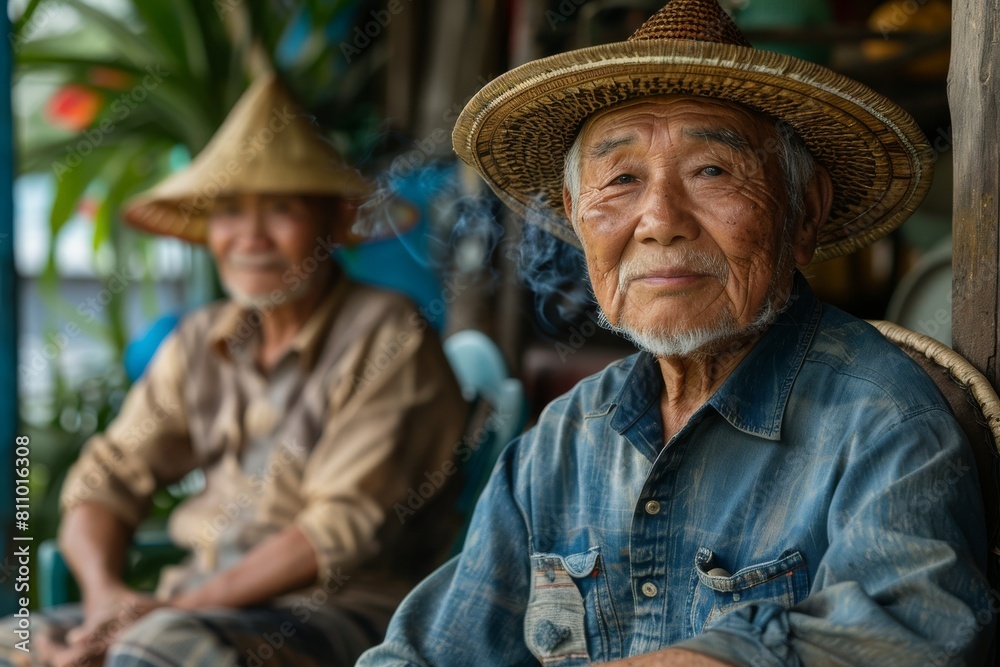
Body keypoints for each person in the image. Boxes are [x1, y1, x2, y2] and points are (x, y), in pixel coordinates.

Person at [358, 1, 994, 665]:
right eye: (622, 179)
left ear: (804, 211)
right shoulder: (562, 443)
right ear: (578, 218)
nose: (660, 220)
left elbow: (915, 638)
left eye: (711, 171)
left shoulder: (883, 421)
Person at [5, 73, 467, 667]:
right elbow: (105, 481)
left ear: (331, 222)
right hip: (197, 607)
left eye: (281, 209)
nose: (249, 237)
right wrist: (105, 601)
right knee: (17, 643)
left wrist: (168, 613)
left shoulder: (387, 335)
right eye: (228, 210)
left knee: (152, 651)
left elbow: (339, 530)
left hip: (345, 614)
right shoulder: (202, 340)